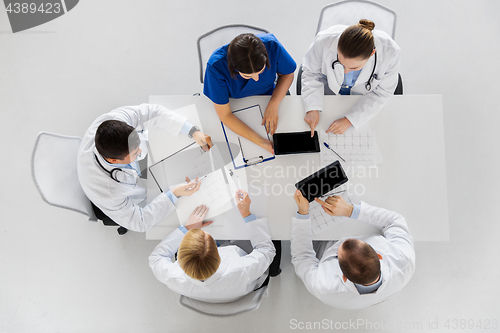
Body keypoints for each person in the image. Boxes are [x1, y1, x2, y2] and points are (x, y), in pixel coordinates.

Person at [77, 103, 212, 234]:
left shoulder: (114, 121)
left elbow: (153, 112)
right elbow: (140, 222)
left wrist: (192, 131)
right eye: (135, 152)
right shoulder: (108, 192)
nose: (140, 150)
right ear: (114, 161)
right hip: (115, 195)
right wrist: (175, 193)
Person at [290, 190, 415, 309]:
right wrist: (350, 210)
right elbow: (394, 220)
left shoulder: (324, 287)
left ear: (344, 277)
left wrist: (303, 213)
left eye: (338, 251)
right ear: (378, 255)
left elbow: (302, 256)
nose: (344, 239)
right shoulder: (404, 260)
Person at [149, 191, 276, 303]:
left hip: (217, 294)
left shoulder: (173, 277)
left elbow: (155, 258)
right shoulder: (241, 270)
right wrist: (246, 214)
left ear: (180, 258)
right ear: (219, 254)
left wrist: (187, 228)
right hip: (240, 286)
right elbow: (267, 250)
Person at [301, 19, 401, 136]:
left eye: (353, 68)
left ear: (371, 53)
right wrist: (312, 107)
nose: (346, 71)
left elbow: (383, 93)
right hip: (329, 97)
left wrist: (350, 120)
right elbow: (311, 73)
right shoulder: (323, 41)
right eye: (340, 62)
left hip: (363, 100)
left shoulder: (391, 51)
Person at [204, 33, 296, 153]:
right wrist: (262, 142)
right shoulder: (216, 67)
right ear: (233, 68)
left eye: (261, 71)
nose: (257, 79)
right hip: (236, 105)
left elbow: (288, 74)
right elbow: (225, 114)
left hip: (270, 96)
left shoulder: (272, 46)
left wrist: (274, 103)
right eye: (247, 76)